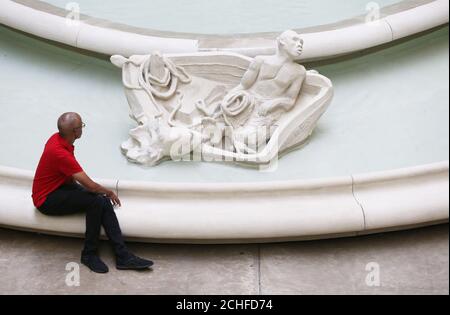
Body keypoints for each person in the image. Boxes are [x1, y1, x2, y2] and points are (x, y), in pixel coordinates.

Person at [32, 112, 154, 274]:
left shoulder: (58, 138)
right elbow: (91, 185)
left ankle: (122, 255)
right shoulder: (60, 153)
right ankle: (89, 254)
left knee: (99, 200)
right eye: (81, 126)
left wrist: (88, 194)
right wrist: (109, 193)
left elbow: (69, 177)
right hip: (46, 199)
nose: (83, 128)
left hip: (59, 187)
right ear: (75, 131)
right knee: (98, 199)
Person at [220, 30, 307, 153]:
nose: (300, 44)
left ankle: (236, 141)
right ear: (282, 41)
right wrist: (227, 100)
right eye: (295, 40)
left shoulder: (298, 71)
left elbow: (290, 100)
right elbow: (244, 85)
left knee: (249, 139)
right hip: (246, 102)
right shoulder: (260, 60)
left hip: (264, 111)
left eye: (301, 42)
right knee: (218, 123)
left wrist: (274, 103)